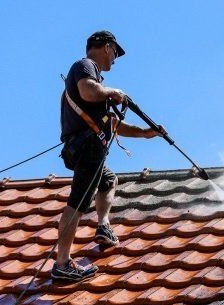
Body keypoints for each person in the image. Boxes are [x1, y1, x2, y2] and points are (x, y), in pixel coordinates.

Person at [53, 30, 159, 281]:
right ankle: (62, 264)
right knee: (78, 202)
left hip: (84, 147)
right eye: (115, 52)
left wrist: (145, 133)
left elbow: (114, 124)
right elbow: (89, 91)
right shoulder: (85, 66)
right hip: (87, 146)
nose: (115, 59)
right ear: (106, 47)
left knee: (109, 180)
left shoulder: (96, 82)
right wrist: (112, 91)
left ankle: (103, 226)